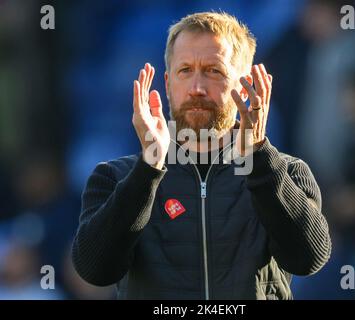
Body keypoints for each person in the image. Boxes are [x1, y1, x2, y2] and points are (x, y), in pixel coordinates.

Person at [72, 12, 331, 300]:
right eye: (185, 70)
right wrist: (149, 169)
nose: (197, 88)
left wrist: (258, 157)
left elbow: (308, 260)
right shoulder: (114, 177)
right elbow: (95, 270)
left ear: (244, 86)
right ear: (168, 84)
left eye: (213, 71)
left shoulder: (287, 173)